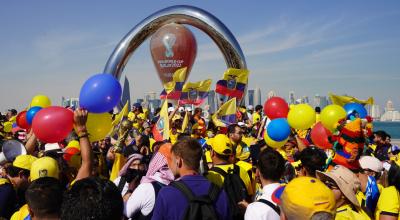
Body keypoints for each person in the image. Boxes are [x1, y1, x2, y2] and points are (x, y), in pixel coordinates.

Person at [152, 138, 230, 220]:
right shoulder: (220, 193)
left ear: (179, 161)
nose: (168, 164)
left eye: (171, 159)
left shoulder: (166, 193)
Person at [124, 143, 175, 219]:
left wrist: (130, 190)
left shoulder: (146, 188)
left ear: (156, 162)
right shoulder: (178, 186)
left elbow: (125, 212)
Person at [244, 148, 285, 220]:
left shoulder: (254, 210)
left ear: (257, 172)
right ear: (282, 173)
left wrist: (250, 209)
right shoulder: (296, 196)